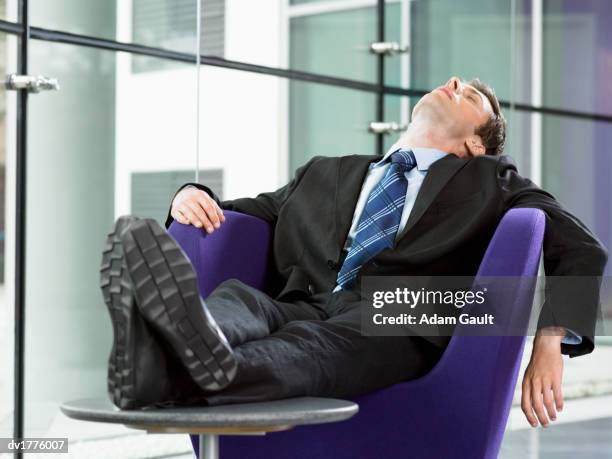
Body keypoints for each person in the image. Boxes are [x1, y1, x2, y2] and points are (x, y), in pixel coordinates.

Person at [101, 76, 607, 429]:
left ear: (476, 145)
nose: (453, 81)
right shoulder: (325, 170)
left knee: (312, 349)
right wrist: (189, 198)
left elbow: (581, 247)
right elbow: (238, 212)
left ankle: (169, 362)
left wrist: (547, 344)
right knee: (242, 299)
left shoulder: (492, 179)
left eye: (470, 94)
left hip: (398, 313)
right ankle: (187, 340)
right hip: (299, 300)